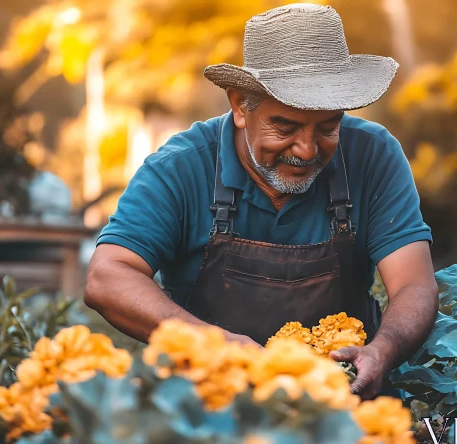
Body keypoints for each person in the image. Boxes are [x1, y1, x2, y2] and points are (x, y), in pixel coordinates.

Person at [85, 3, 438, 400]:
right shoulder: (181, 167)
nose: (306, 150)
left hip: (344, 404)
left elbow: (414, 283)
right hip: (205, 408)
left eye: (327, 127)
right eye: (284, 126)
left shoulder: (373, 156)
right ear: (239, 106)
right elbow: (107, 277)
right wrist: (212, 344)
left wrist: (384, 350)